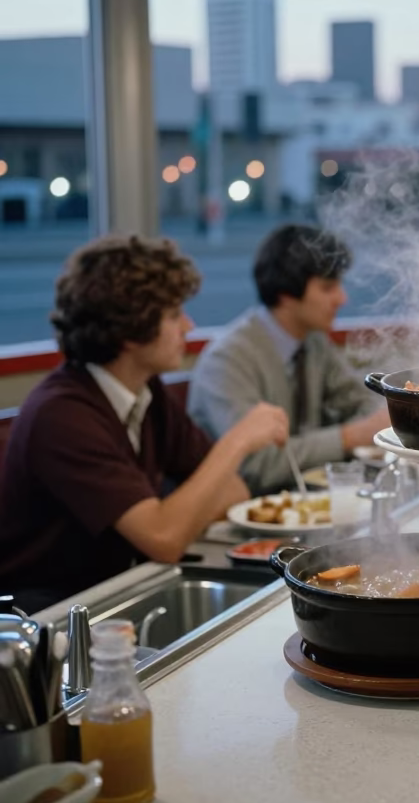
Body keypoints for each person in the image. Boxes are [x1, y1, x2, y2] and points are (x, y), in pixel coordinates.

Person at [0, 236, 288, 613]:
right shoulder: (62, 415)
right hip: (40, 614)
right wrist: (236, 442)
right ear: (129, 329)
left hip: (110, 592)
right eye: (173, 315)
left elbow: (233, 492)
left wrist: (163, 516)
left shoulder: (143, 391)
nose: (188, 326)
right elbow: (165, 539)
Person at [188, 224, 389, 494]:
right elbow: (257, 465)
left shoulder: (313, 341)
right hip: (239, 510)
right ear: (286, 294)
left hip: (305, 501)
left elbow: (354, 400)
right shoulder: (227, 360)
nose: (342, 298)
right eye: (328, 287)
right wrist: (350, 436)